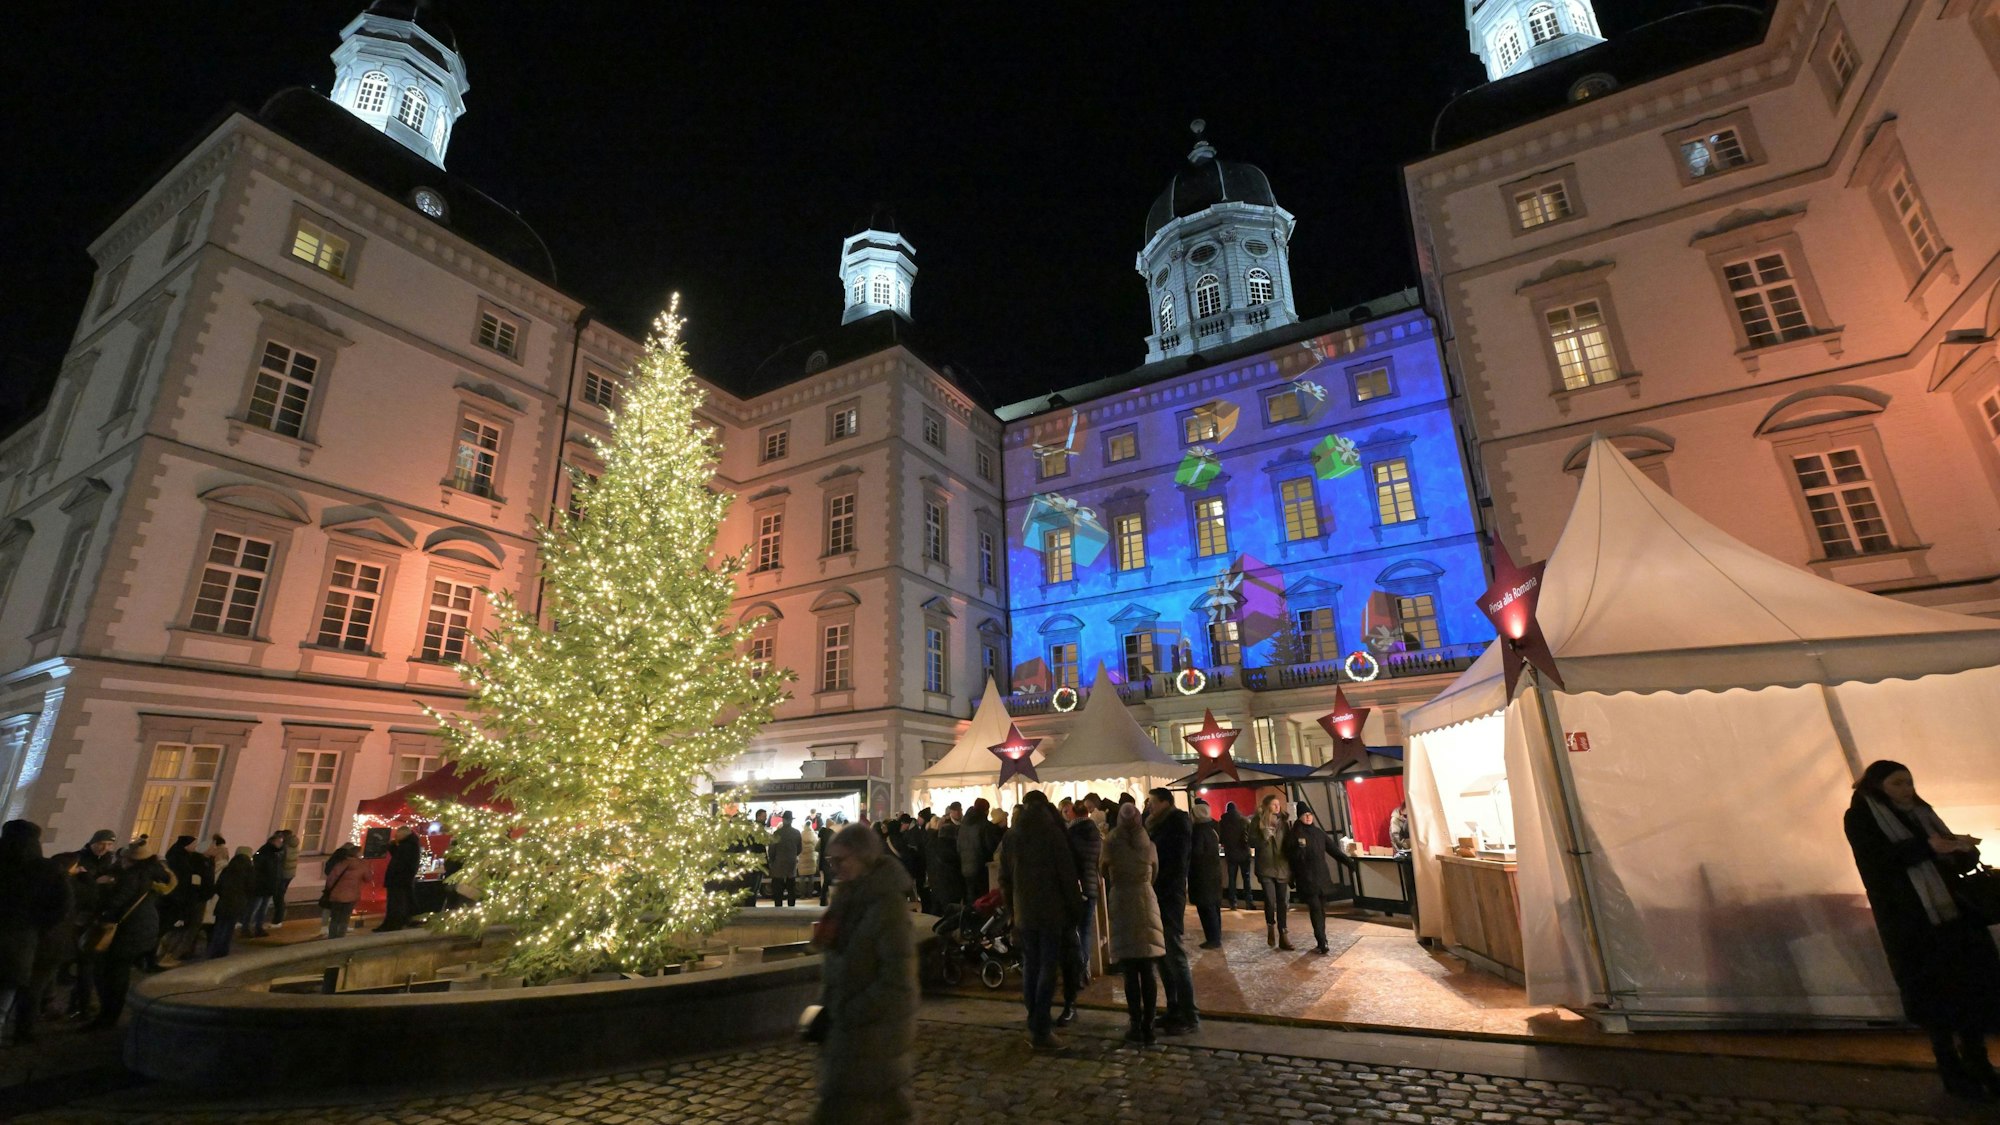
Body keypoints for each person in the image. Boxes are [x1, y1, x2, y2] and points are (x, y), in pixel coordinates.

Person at [1846, 760, 2000, 1100]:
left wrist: (1963, 849)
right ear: (1878, 785)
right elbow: (1877, 861)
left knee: (1972, 990)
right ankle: (1952, 1071)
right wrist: (1928, 847)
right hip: (1912, 921)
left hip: (1953, 916)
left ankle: (1979, 1064)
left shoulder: (1921, 811)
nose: (1907, 789)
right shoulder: (1861, 816)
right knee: (1935, 997)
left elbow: (1949, 860)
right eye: (1898, 783)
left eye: (1909, 782)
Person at [811, 822, 918, 1124]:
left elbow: (898, 985)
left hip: (873, 1041)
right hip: (850, 1039)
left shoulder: (888, 910)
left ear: (863, 858)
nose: (834, 868)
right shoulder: (847, 901)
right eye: (831, 860)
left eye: (840, 860)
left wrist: (849, 1010)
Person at [998, 791, 1083, 1050]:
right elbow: (1067, 876)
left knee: (1031, 966)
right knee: (1047, 967)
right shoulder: (1053, 834)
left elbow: (1004, 879)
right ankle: (1041, 1026)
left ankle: (1034, 1019)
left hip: (1024, 912)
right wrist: (1075, 909)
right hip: (1051, 911)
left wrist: (1012, 910)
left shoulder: (1012, 835)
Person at [90, 840, 175, 1029]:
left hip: (129, 930)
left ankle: (108, 1016)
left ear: (131, 859)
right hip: (143, 927)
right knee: (119, 971)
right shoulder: (155, 873)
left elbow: (115, 902)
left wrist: (102, 888)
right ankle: (110, 1013)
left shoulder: (133, 876)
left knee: (111, 973)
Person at [1, 820, 70, 1045]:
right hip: (23, 941)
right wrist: (39, 925)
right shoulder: (47, 870)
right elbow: (62, 906)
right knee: (13, 992)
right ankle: (16, 1031)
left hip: (22, 939)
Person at [1103, 803, 1165, 1046]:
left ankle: (1135, 1023)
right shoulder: (1149, 845)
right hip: (1145, 901)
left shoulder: (1110, 844)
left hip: (1121, 901)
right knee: (1147, 969)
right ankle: (1149, 1026)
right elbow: (1155, 872)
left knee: (1129, 970)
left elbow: (1102, 870)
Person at [1144, 788, 1199, 1035]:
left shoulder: (1175, 825)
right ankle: (1174, 1009)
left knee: (1174, 953)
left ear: (1165, 803)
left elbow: (1173, 863)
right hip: (1160, 894)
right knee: (1163, 955)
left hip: (1169, 896)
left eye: (1153, 802)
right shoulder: (1160, 824)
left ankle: (1189, 1015)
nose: (1149, 806)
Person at [20, 851, 81, 1043]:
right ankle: (24, 1029)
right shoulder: (64, 889)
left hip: (43, 945)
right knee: (35, 987)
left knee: (39, 983)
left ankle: (41, 1010)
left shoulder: (34, 886)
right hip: (50, 946)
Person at [67, 829, 120, 1020]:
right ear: (93, 842)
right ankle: (79, 1002)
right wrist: (96, 881)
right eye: (101, 843)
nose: (104, 848)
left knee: (88, 961)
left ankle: (80, 1002)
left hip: (97, 914)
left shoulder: (110, 860)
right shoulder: (79, 858)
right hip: (81, 914)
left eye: (109, 844)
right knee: (85, 960)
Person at [1065, 796, 1104, 999]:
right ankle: (1085, 971)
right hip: (1091, 886)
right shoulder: (1095, 833)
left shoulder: (1071, 834)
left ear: (1073, 813)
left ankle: (1079, 973)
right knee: (1086, 930)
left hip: (1076, 887)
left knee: (1074, 932)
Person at [1288, 807, 1340, 955]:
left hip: (1321, 878)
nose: (1308, 817)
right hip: (1306, 878)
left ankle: (1322, 940)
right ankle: (1322, 940)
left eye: (1310, 814)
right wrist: (1292, 876)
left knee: (1321, 910)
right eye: (1305, 815)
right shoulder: (1294, 834)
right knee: (1316, 908)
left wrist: (1348, 862)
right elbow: (1291, 858)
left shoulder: (1318, 833)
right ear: (1299, 817)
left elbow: (1333, 849)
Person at [159, 834, 212, 966]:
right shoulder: (181, 860)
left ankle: (166, 953)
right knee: (181, 927)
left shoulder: (186, 858)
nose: (195, 846)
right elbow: (183, 880)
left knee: (179, 927)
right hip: (181, 898)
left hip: (184, 897)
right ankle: (168, 955)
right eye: (193, 844)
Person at [1251, 792, 1294, 950]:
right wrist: (1263, 837)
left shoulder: (1284, 822)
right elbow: (1251, 842)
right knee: (1270, 900)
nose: (1277, 807)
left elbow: (1288, 843)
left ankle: (1283, 934)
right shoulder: (1257, 821)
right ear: (1267, 806)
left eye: (1278, 804)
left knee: (1282, 901)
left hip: (1282, 867)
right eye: (1274, 804)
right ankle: (1270, 926)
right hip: (1265, 867)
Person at [207, 847, 255, 959]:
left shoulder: (228, 868)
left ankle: (213, 950)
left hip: (223, 902)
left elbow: (218, 886)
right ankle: (223, 951)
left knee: (219, 927)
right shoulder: (249, 869)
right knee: (229, 928)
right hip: (237, 903)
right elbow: (251, 888)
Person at [1190, 799, 1224, 949]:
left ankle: (1213, 938)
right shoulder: (1212, 828)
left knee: (1206, 907)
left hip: (1202, 875)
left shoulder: (1198, 831)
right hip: (1214, 872)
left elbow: (1196, 853)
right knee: (1214, 906)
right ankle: (1216, 935)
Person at [376, 825, 422, 932]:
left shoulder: (407, 846)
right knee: (402, 901)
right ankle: (404, 920)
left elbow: (399, 861)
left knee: (396, 903)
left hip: (398, 879)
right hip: (403, 879)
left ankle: (393, 923)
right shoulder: (410, 845)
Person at [322, 845, 369, 938]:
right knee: (345, 917)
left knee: (335, 918)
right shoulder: (362, 865)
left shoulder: (341, 863)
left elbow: (331, 879)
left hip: (337, 895)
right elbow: (368, 878)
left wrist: (331, 890)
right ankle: (341, 937)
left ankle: (332, 937)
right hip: (352, 895)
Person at [958, 798, 998, 904]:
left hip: (965, 868)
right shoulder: (984, 825)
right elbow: (991, 846)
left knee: (972, 898)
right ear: (986, 810)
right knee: (983, 899)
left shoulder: (963, 825)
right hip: (981, 867)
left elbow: (959, 846)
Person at [247, 833, 286, 937]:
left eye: (281, 842)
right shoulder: (265, 852)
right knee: (255, 908)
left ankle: (258, 928)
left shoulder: (277, 854)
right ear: (272, 841)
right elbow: (258, 869)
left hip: (270, 885)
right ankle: (246, 928)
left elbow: (277, 871)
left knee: (263, 909)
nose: (280, 844)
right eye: (279, 841)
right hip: (261, 885)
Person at [926, 813, 963, 916]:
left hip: (935, 882)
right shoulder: (952, 847)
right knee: (950, 911)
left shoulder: (931, 844)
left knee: (936, 910)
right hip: (950, 884)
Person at [1219, 801, 1253, 910]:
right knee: (1246, 879)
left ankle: (1233, 902)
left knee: (1232, 879)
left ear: (1227, 810)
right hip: (1244, 853)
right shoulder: (1245, 820)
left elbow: (1221, 839)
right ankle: (1249, 902)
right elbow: (1250, 837)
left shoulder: (1222, 822)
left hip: (1231, 854)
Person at [767, 811, 803, 907]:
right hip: (791, 864)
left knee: (778, 890)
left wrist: (772, 861)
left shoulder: (777, 833)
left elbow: (771, 850)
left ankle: (778, 908)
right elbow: (800, 849)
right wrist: (793, 855)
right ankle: (791, 908)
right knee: (791, 889)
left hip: (778, 864)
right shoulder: (796, 833)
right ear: (791, 820)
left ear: (783, 820)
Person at [275, 829, 300, 925]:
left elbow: (281, 859)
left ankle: (279, 918)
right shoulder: (295, 845)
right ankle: (280, 916)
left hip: (283, 873)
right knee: (280, 894)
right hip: (290, 873)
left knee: (278, 896)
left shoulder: (285, 847)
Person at [815, 821, 837, 906]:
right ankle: (827, 900)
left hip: (822, 861)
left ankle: (823, 900)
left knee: (825, 881)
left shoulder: (822, 835)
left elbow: (816, 848)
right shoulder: (833, 835)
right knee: (828, 881)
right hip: (830, 861)